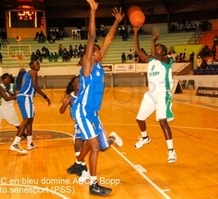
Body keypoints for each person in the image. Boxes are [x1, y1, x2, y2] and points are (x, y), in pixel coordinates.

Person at [69, 0, 124, 196]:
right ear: (91, 55)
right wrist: (93, 11)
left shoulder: (99, 64)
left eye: (100, 50)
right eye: (97, 50)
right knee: (95, 147)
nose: (100, 51)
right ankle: (93, 185)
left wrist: (116, 22)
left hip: (92, 112)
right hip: (83, 111)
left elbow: (108, 39)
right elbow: (91, 37)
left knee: (93, 144)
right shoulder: (88, 66)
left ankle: (77, 164)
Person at [132, 26, 177, 163]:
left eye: (158, 48)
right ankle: (145, 138)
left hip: (163, 92)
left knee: (162, 121)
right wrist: (135, 32)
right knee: (139, 118)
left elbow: (156, 55)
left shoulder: (167, 60)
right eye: (155, 48)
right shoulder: (151, 61)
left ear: (163, 52)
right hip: (151, 93)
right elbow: (138, 50)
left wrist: (153, 41)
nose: (156, 50)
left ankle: (171, 151)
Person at [9, 60, 51, 154]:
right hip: (25, 97)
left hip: (26, 97)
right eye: (36, 64)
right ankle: (15, 144)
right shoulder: (33, 72)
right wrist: (45, 97)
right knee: (27, 119)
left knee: (30, 119)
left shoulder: (28, 73)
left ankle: (30, 143)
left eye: (39, 64)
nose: (38, 65)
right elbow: (35, 86)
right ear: (32, 65)